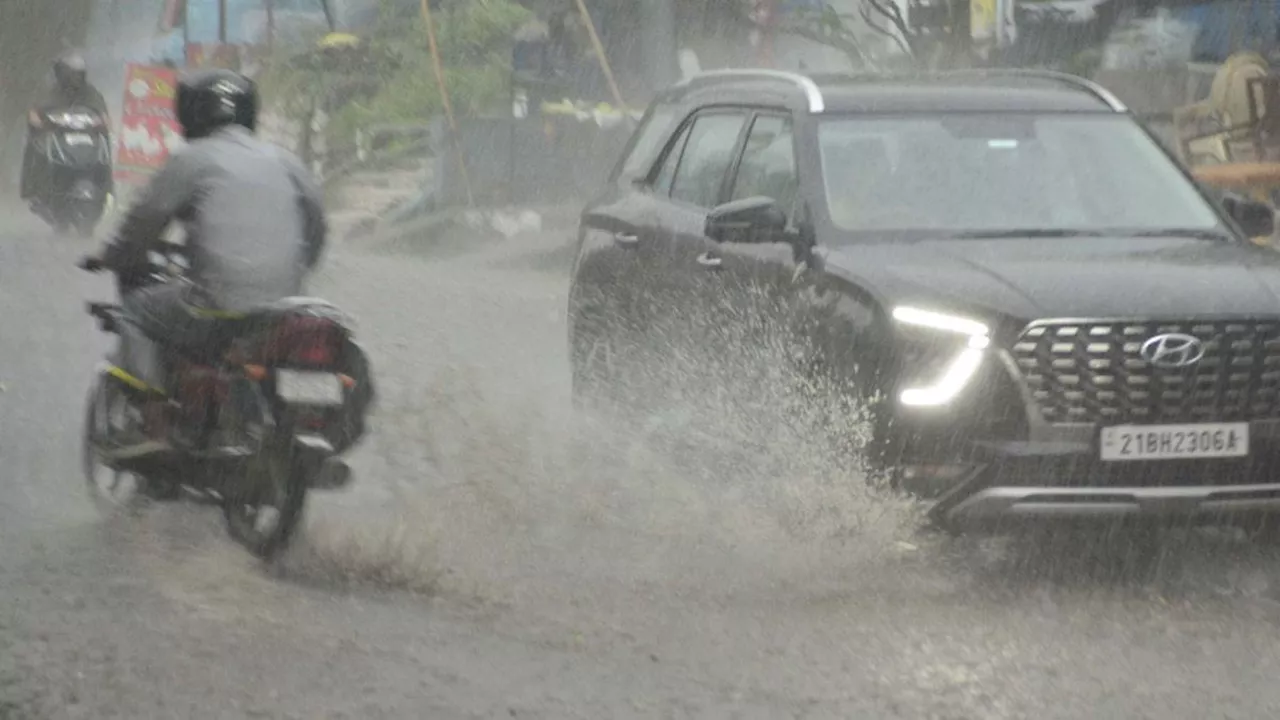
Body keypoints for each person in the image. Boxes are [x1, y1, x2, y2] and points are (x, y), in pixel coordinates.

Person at [81, 68, 328, 459]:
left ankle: (155, 421)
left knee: (136, 313)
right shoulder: (287, 162)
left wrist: (112, 256)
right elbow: (316, 228)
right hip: (287, 306)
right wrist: (295, 271)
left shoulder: (191, 159)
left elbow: (142, 224)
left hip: (217, 303)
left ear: (191, 114)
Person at [21, 52, 110, 204]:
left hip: (85, 137)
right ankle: (33, 187)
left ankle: (106, 188)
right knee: (35, 145)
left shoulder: (90, 92)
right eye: (71, 74)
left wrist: (102, 123)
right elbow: (34, 111)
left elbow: (102, 114)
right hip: (56, 135)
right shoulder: (49, 91)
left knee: (104, 146)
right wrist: (39, 122)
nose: (74, 78)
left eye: (77, 74)